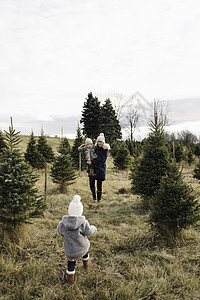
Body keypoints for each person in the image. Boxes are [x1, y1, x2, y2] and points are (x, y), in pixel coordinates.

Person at [57, 195, 97, 284]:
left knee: (71, 264)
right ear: (80, 211)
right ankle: (86, 264)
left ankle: (70, 279)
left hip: (70, 250)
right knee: (85, 252)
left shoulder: (62, 223)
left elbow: (59, 232)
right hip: (82, 247)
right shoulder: (83, 223)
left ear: (69, 210)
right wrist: (94, 228)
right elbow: (89, 232)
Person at [90, 133, 110, 202]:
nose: (99, 143)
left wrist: (92, 161)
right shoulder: (95, 148)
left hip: (100, 169)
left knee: (99, 185)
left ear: (103, 142)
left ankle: (99, 199)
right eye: (98, 141)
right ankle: (94, 197)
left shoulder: (105, 150)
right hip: (93, 169)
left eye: (101, 141)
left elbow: (102, 160)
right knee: (91, 184)